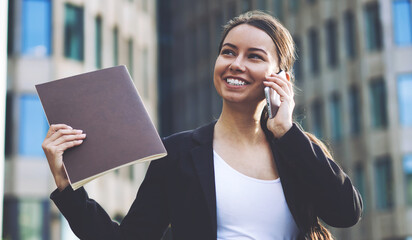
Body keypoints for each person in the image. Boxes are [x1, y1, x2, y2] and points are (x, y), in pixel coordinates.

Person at [42, 10, 362, 240]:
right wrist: (66, 187)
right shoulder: (177, 154)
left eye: (254, 56)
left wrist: (286, 131)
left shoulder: (297, 149)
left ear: (281, 79)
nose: (236, 64)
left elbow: (345, 213)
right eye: (228, 52)